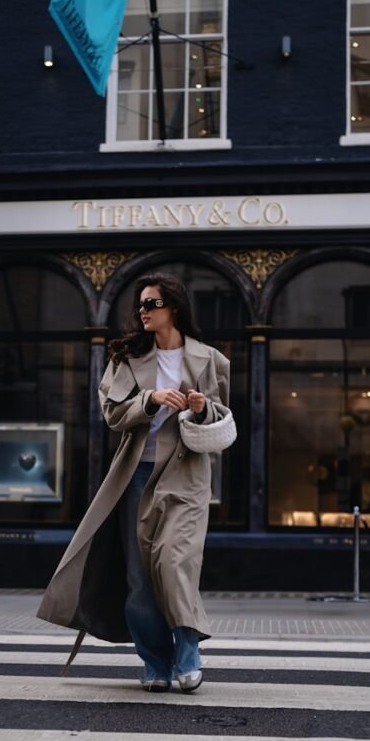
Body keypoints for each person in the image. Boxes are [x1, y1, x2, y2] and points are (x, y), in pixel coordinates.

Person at [37, 272, 231, 693]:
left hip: (188, 475)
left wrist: (200, 407)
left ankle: (188, 656)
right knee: (140, 577)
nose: (142, 311)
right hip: (135, 475)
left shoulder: (210, 359)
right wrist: (150, 400)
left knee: (176, 563)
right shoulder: (126, 359)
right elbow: (112, 415)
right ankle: (155, 662)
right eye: (140, 305)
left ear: (173, 308)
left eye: (151, 304)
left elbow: (222, 421)